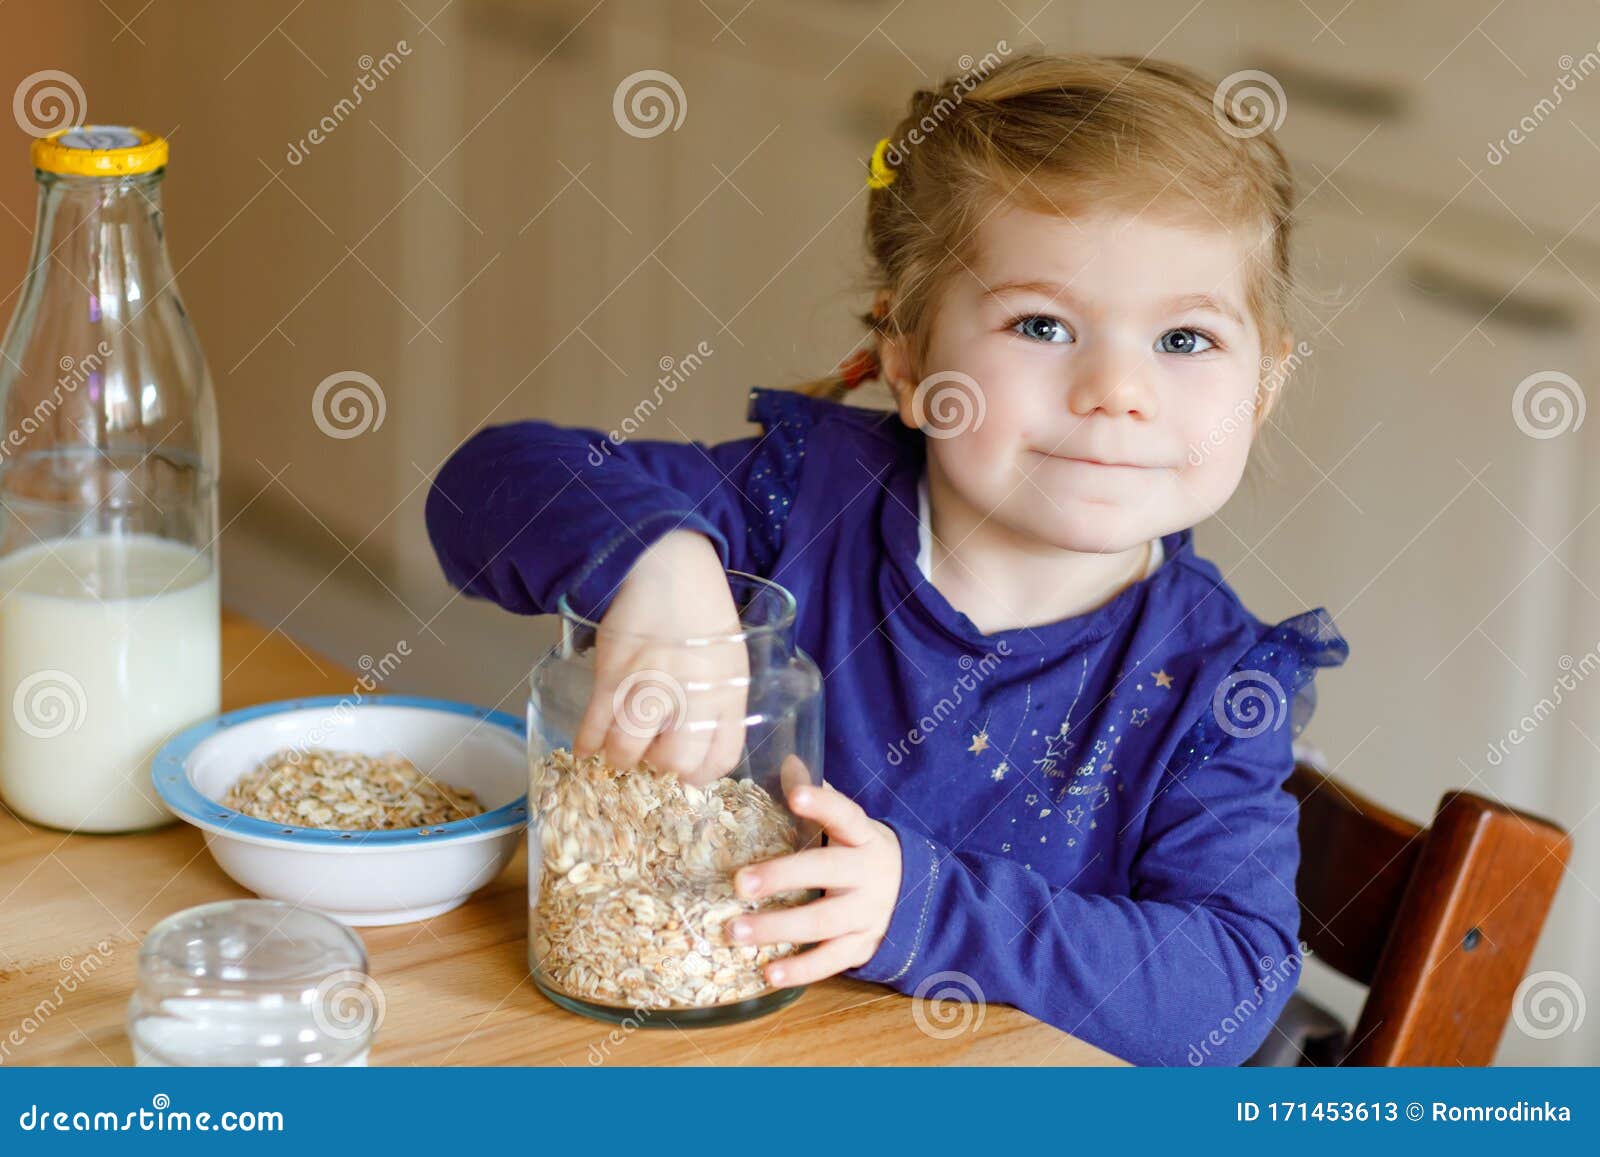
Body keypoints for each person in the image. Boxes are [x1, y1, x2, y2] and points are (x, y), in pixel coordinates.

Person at [426, 52, 1350, 1065]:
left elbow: (1223, 989)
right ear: (907, 359)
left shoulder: (1214, 683)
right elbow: (481, 485)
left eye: (1184, 340)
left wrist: (923, 907)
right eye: (1042, 325)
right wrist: (661, 562)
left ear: (1262, 385)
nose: (1115, 388)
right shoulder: (802, 503)